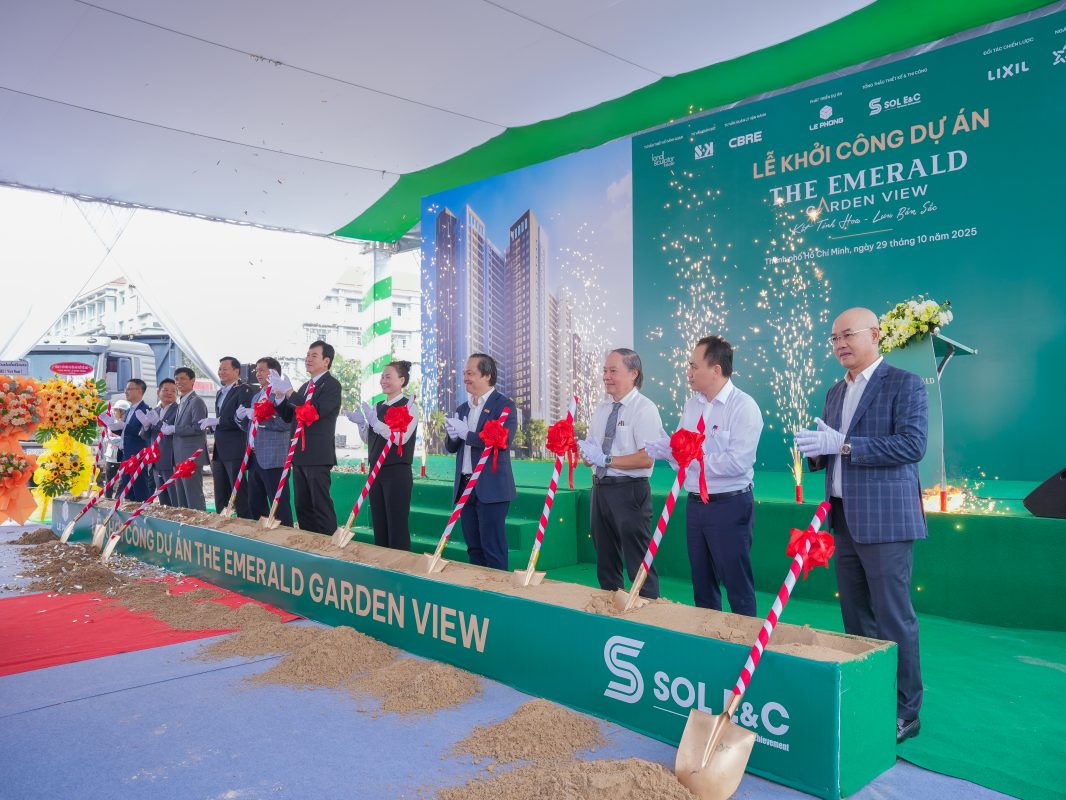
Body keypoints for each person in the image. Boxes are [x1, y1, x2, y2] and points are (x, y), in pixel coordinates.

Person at [795, 306, 928, 744]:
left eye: (847, 335)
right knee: (855, 616)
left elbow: (911, 445)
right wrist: (817, 450)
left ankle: (905, 711)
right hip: (843, 518)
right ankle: (870, 695)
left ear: (875, 335)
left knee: (893, 617)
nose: (839, 345)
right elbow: (835, 451)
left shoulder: (905, 383)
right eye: (834, 338)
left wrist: (845, 445)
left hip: (886, 520)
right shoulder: (836, 391)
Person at [646, 336, 763, 615]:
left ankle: (746, 637)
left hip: (729, 504)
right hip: (696, 504)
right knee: (701, 580)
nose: (688, 372)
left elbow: (738, 462)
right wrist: (669, 451)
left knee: (736, 581)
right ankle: (706, 634)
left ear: (716, 370)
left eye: (694, 366)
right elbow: (682, 453)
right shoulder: (692, 406)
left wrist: (693, 459)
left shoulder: (743, 406)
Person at [577, 349, 665, 599]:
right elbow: (591, 453)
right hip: (600, 488)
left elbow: (646, 457)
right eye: (605, 370)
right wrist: (588, 455)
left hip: (630, 490)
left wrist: (606, 459)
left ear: (633, 373)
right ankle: (610, 601)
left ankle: (648, 604)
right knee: (605, 555)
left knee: (637, 556)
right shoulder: (602, 409)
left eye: (613, 371)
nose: (606, 376)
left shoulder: (644, 409)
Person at [444, 353, 517, 570]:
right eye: (464, 373)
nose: (465, 378)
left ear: (486, 375)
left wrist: (468, 435)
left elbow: (501, 442)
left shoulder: (504, 406)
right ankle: (477, 587)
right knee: (473, 548)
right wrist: (453, 437)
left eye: (470, 373)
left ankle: (497, 589)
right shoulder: (462, 408)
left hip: (491, 487)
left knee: (492, 547)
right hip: (466, 485)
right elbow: (451, 448)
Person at [346, 360, 419, 550]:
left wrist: (377, 424)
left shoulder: (409, 406)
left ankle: (399, 565)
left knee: (396, 526)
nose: (383, 381)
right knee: (379, 524)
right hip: (375, 472)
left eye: (388, 377)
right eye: (382, 377)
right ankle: (381, 563)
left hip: (396, 472)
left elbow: (401, 439)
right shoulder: (378, 406)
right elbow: (370, 439)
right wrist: (362, 424)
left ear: (401, 380)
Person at [271, 341, 342, 534]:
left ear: (326, 361)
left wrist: (290, 392)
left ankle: (328, 545)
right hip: (299, 455)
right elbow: (289, 416)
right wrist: (280, 396)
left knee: (320, 505)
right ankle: (307, 544)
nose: (308, 359)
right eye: (307, 355)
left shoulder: (332, 385)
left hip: (317, 454)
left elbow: (313, 412)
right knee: (303, 507)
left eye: (314, 356)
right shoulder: (305, 387)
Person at [241, 357, 294, 527]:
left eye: (262, 370)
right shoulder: (257, 395)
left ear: (273, 372)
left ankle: (285, 538)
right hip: (254, 457)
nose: (258, 374)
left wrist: (262, 419)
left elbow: (286, 424)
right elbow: (251, 426)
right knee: (255, 503)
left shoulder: (281, 393)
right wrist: (240, 418)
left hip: (274, 458)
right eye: (256, 370)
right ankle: (261, 538)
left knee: (279, 507)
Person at [203, 357, 256, 518]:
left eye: (225, 369)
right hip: (220, 449)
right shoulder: (220, 392)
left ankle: (245, 523)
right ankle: (222, 522)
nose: (221, 372)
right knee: (220, 491)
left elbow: (242, 418)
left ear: (236, 371)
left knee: (238, 492)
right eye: (220, 369)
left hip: (235, 448)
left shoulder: (244, 390)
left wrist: (218, 421)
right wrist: (214, 424)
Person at [102, 379, 152, 501]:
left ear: (139, 391)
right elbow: (126, 433)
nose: (126, 392)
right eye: (126, 389)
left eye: (129, 389)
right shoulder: (129, 409)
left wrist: (125, 426)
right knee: (127, 487)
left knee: (139, 487)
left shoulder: (145, 409)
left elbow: (143, 433)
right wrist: (113, 426)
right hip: (126, 454)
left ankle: (142, 509)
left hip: (137, 455)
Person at [169, 367, 209, 511]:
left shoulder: (196, 401)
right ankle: (186, 522)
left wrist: (175, 429)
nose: (179, 382)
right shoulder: (182, 401)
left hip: (191, 457)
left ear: (192, 381)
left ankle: (199, 522)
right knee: (182, 498)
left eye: (183, 379)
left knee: (193, 496)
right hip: (180, 456)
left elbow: (198, 427)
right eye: (177, 379)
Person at [141, 378, 179, 506]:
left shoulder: (179, 410)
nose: (169, 393)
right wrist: (146, 426)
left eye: (173, 391)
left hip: (170, 460)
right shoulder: (155, 411)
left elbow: (172, 431)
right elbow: (145, 435)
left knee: (174, 498)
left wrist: (158, 423)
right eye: (166, 390)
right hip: (155, 461)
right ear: (158, 392)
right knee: (163, 500)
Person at [103, 400, 129, 499]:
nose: (114, 412)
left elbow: (127, 439)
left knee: (123, 480)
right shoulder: (111, 424)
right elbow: (107, 439)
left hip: (124, 455)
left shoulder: (127, 424)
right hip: (112, 456)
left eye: (117, 410)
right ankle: (107, 498)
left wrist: (118, 439)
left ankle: (118, 498)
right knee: (109, 479)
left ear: (122, 411)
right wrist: (120, 440)